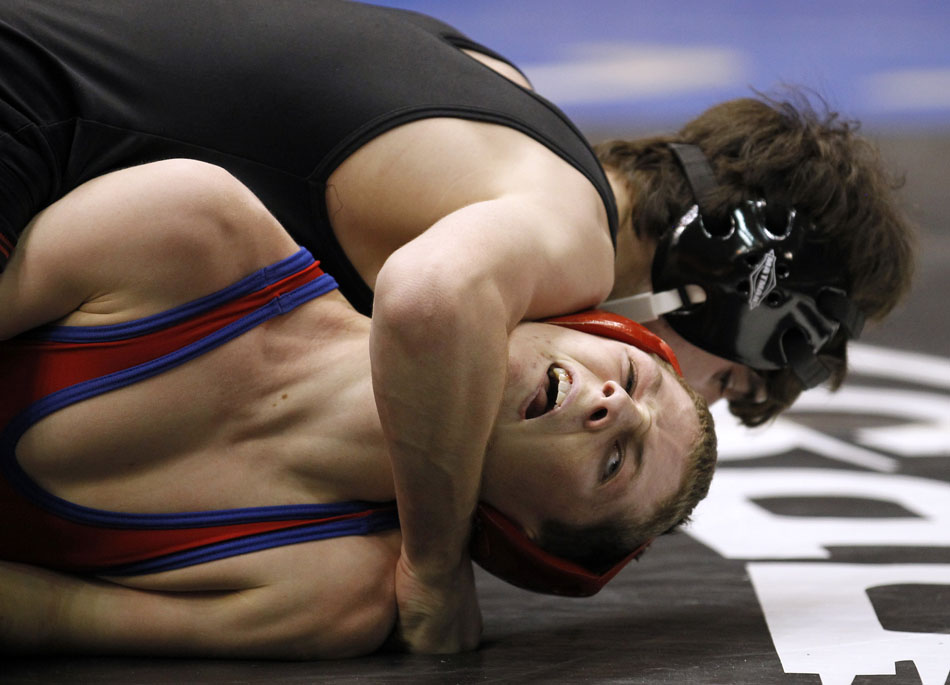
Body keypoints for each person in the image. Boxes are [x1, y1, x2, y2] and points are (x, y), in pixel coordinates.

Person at [0, 0, 913, 652]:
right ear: (716, 287)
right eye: (721, 380)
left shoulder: (504, 131)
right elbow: (432, 299)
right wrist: (433, 564)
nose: (657, 398)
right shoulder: (566, 234)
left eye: (618, 460)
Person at [0, 160, 717, 659]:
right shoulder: (193, 233)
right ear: (565, 317)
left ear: (527, 538)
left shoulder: (334, 595)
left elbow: (40, 617)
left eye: (618, 462)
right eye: (630, 372)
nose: (619, 405)